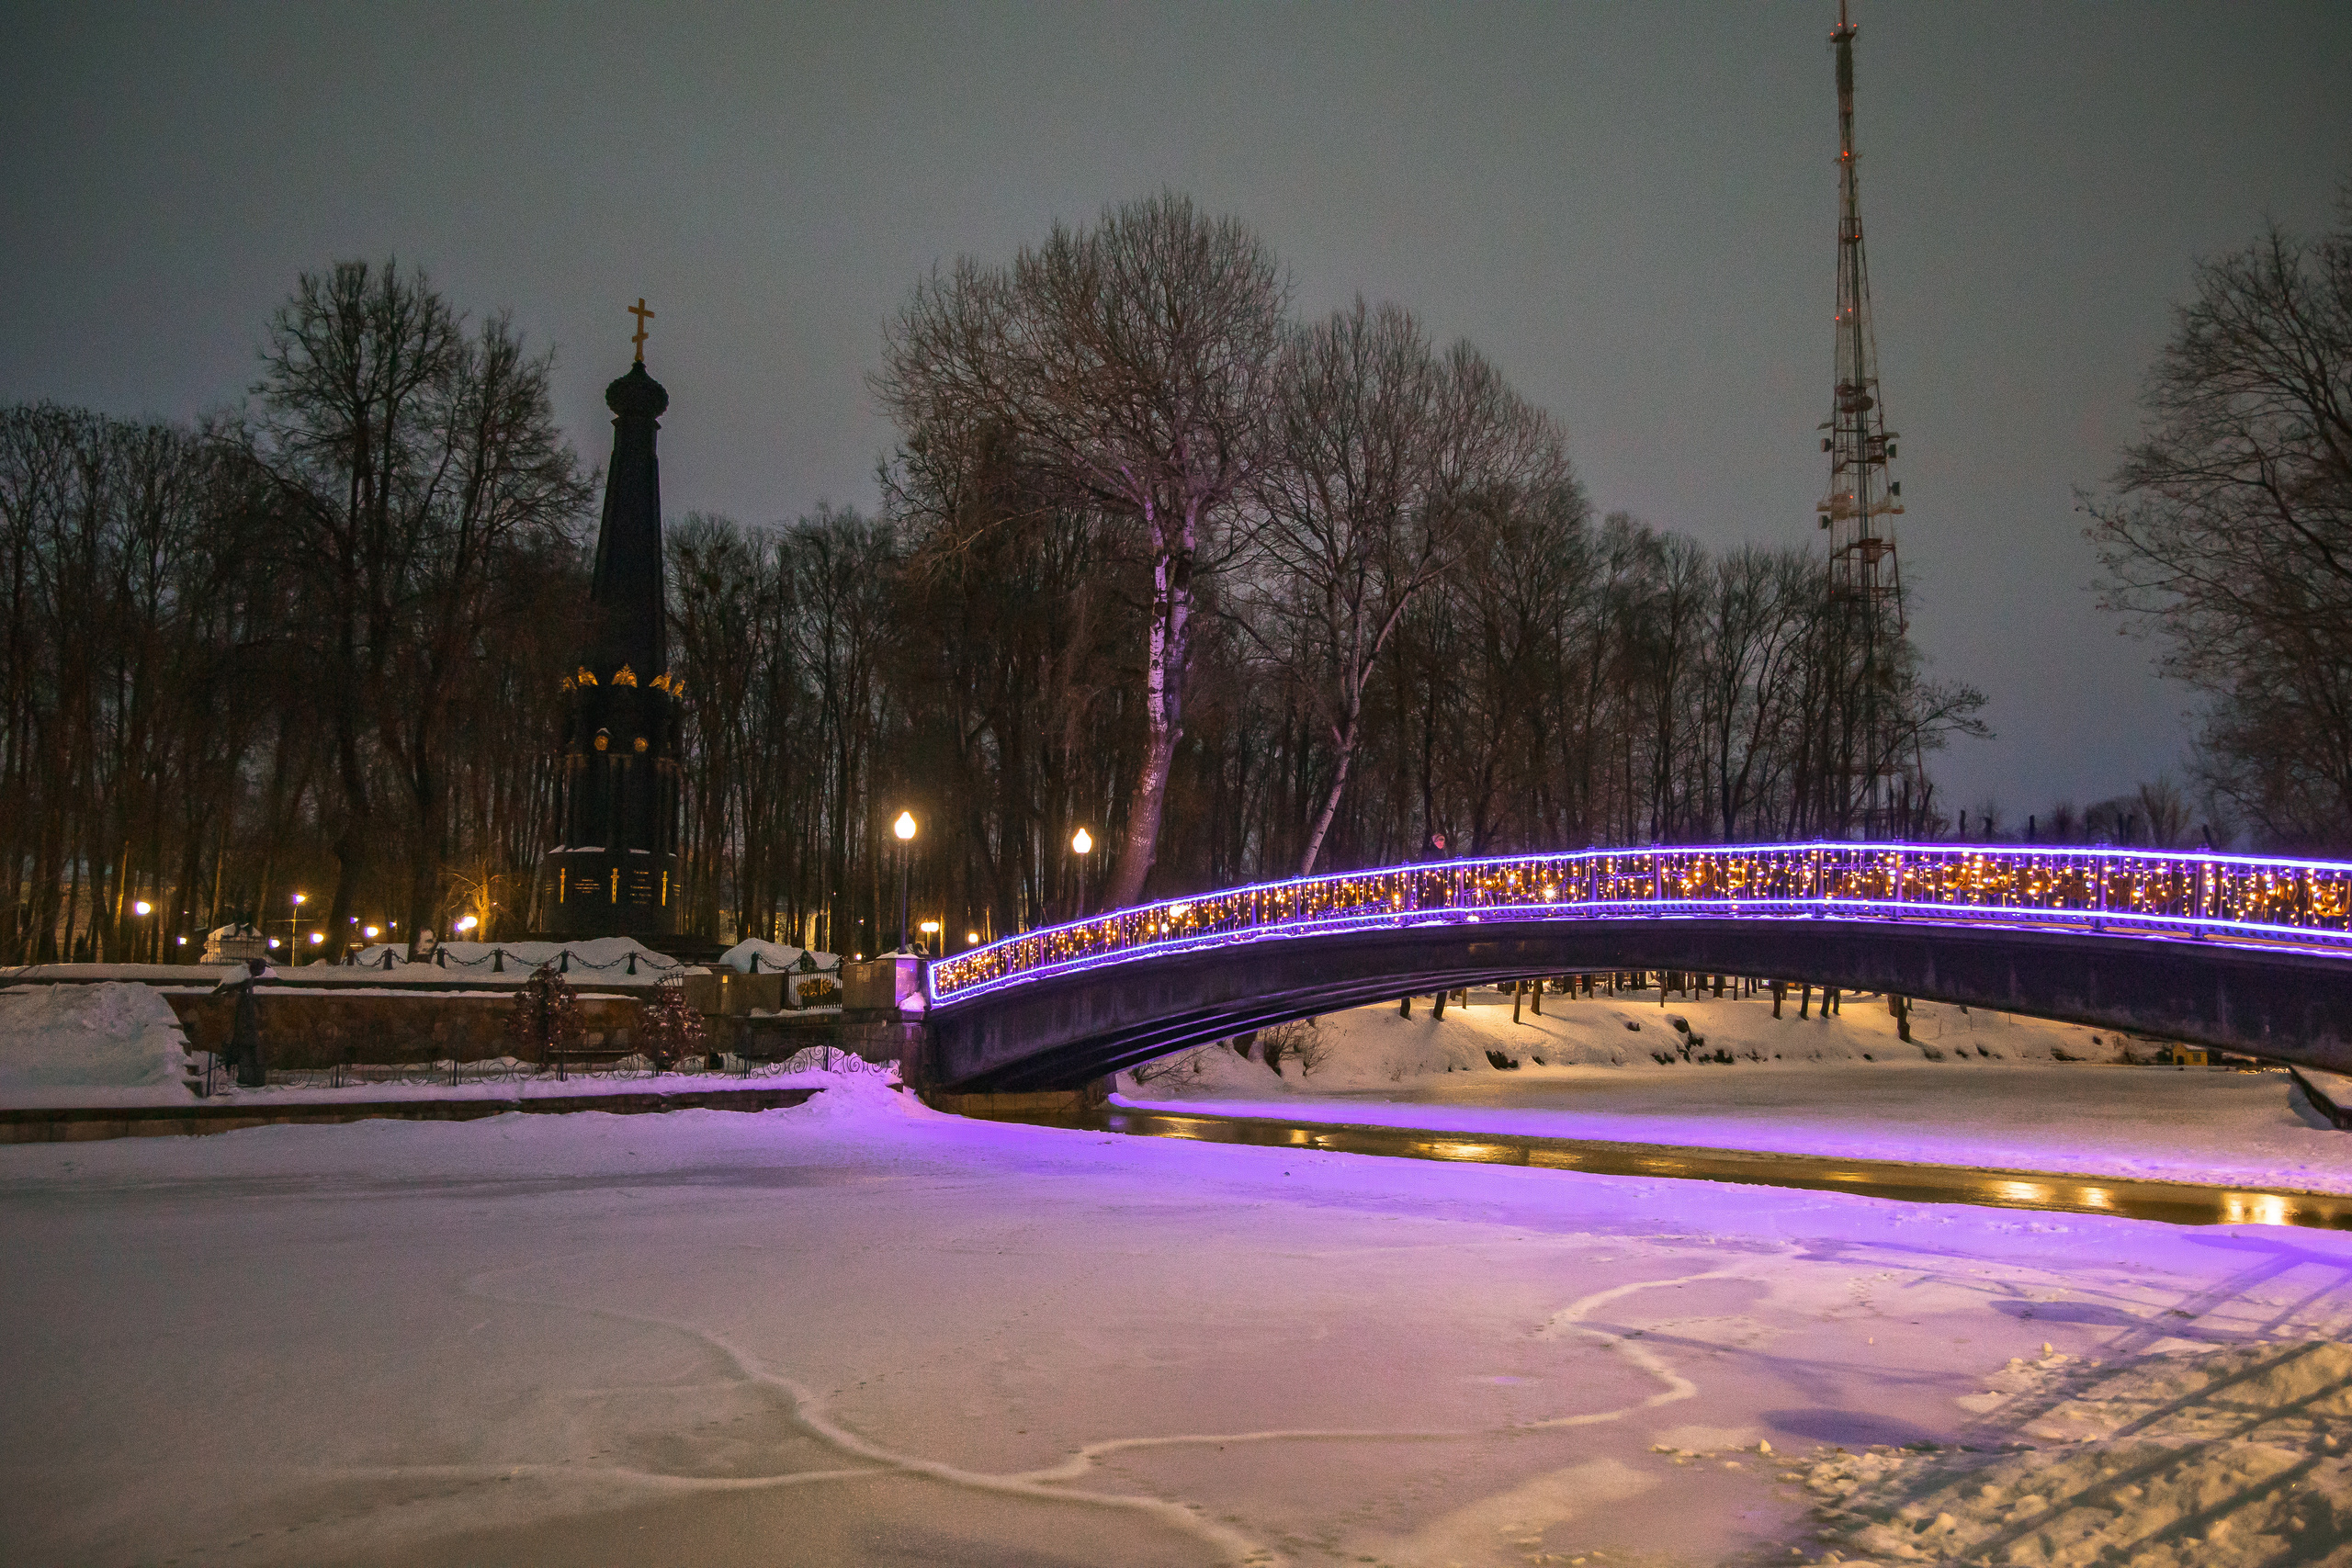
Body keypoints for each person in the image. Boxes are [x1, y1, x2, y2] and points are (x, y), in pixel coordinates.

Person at [212, 957, 273, 1089]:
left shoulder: (248, 978)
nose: (260, 973)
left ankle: (244, 1073)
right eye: (260, 970)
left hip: (247, 1029)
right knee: (244, 1052)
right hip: (245, 1030)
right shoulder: (244, 976)